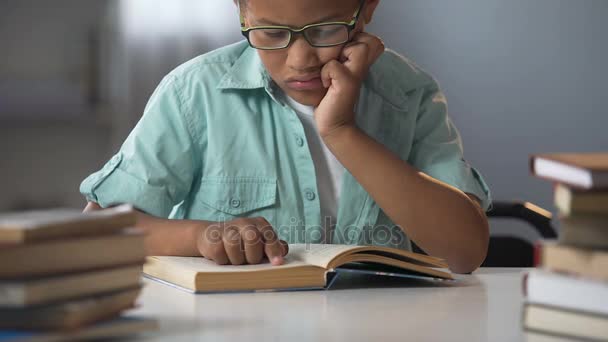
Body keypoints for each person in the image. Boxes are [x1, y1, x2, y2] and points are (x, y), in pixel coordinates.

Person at [81, 0, 492, 273]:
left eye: (326, 31)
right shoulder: (194, 94)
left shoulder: (409, 93)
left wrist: (341, 132)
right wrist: (200, 236)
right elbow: (100, 230)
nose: (300, 61)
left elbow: (465, 251)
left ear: (366, 10)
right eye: (272, 34)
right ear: (242, 13)